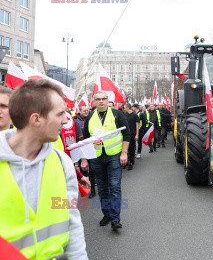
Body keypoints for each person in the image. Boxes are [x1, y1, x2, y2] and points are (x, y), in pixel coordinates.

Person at [0, 79, 87, 259]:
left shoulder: (62, 162)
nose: (65, 121)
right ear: (36, 119)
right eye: (60, 114)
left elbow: (73, 223)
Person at [83, 91, 130, 231]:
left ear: (107, 100)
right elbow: (86, 138)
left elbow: (127, 134)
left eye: (104, 99)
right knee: (102, 188)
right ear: (94, 101)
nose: (101, 101)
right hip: (96, 157)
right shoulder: (90, 117)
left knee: (114, 187)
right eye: (98, 99)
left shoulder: (117, 114)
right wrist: (84, 159)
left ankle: (116, 219)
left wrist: (124, 153)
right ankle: (107, 214)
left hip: (114, 156)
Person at [123, 104, 139, 170]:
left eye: (124, 108)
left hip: (132, 134)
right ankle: (126, 162)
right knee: (126, 149)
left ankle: (131, 163)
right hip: (126, 134)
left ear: (127, 107)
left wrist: (137, 134)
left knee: (131, 149)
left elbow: (137, 125)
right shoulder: (125, 114)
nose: (124, 109)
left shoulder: (135, 115)